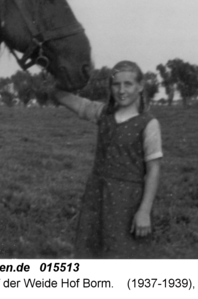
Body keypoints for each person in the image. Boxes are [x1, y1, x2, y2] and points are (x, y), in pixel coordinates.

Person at [54, 61, 163, 258]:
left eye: (128, 84)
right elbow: (79, 104)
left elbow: (153, 170)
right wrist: (55, 88)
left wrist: (144, 211)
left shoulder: (149, 124)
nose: (122, 90)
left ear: (140, 87)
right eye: (116, 84)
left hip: (127, 203)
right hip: (96, 197)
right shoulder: (103, 113)